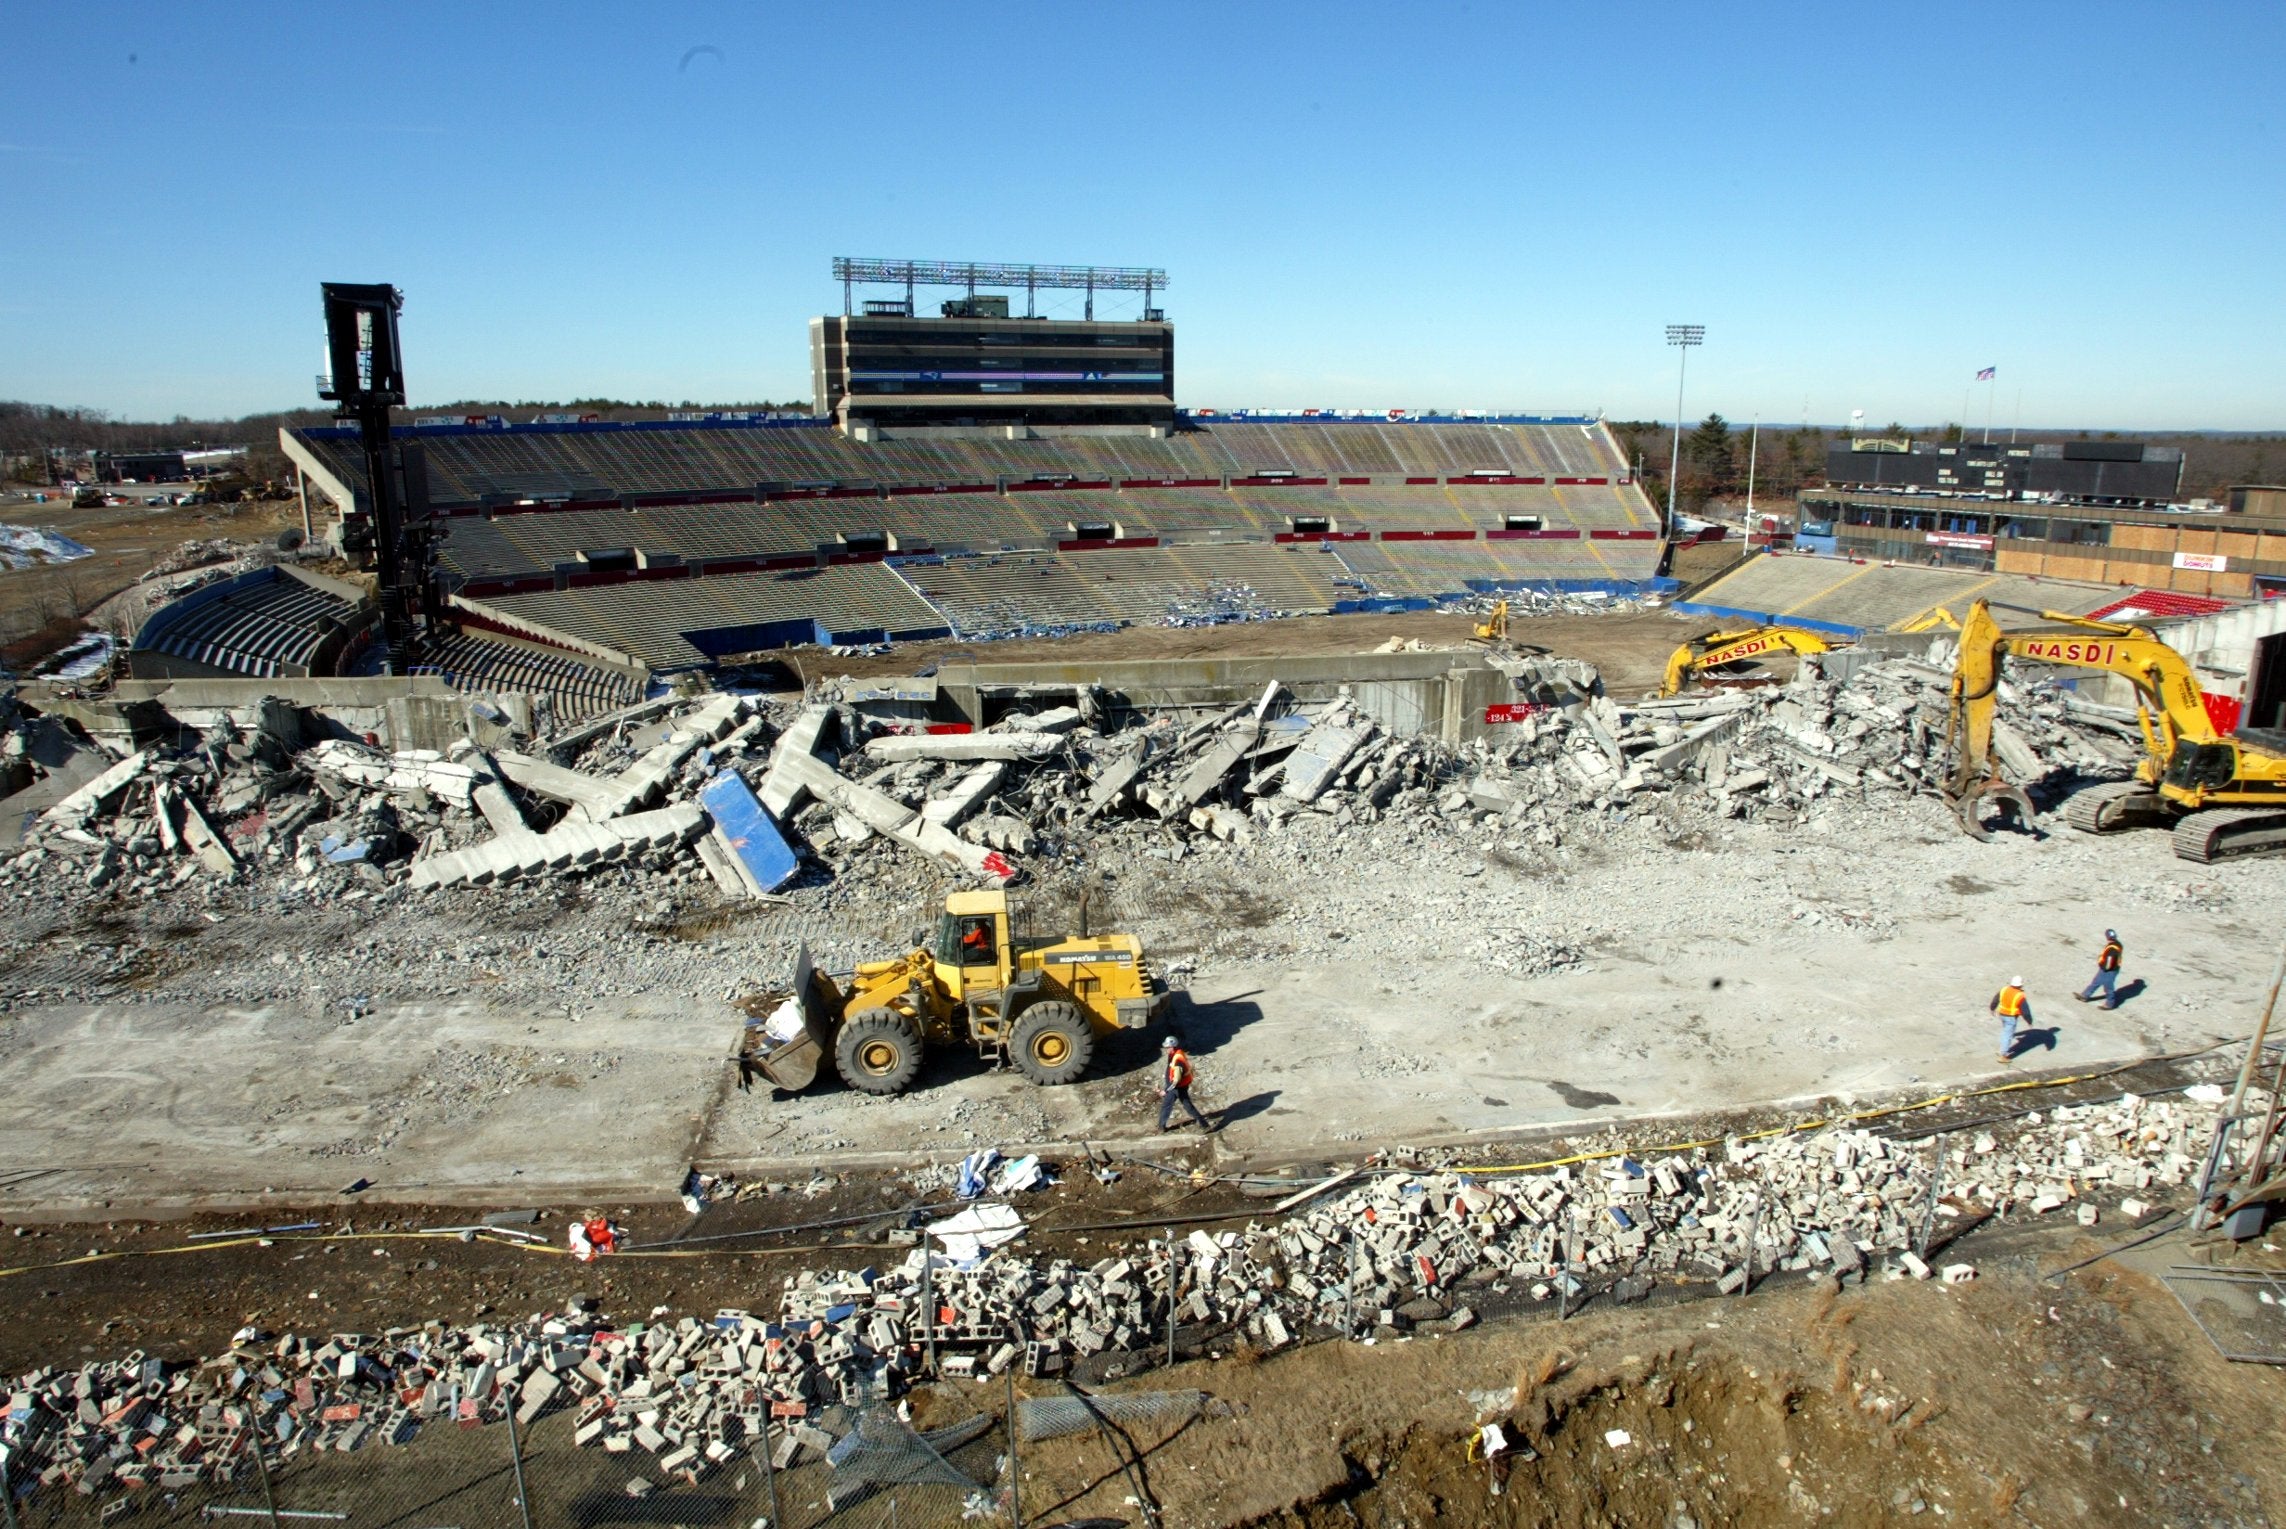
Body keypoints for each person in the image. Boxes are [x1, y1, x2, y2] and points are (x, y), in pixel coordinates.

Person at [1158, 1036, 1213, 1132]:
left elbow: (1176, 1080)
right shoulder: (1173, 1054)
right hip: (1174, 1086)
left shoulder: (1178, 1059)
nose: (1166, 1049)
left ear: (1173, 1047)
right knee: (1167, 1105)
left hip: (1178, 1087)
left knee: (1188, 1106)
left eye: (1167, 1047)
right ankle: (1161, 1127)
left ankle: (1205, 1126)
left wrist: (1166, 1090)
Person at [2077, 929, 2125, 1010]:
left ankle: (2110, 1004)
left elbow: (2110, 961)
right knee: (2096, 981)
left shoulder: (2112, 948)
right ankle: (2085, 995)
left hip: (2109, 970)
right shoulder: (2117, 944)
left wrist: (2105, 968)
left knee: (2108, 986)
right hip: (2108, 968)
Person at [1991, 976, 2031, 1064]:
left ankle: (2001, 1050)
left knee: (2005, 1033)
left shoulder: (2004, 989)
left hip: (2002, 1014)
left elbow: (1995, 1000)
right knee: (2008, 1035)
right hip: (2011, 1017)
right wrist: (2029, 1022)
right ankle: (2003, 1055)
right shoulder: (2020, 995)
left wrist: (1992, 1008)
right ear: (2020, 985)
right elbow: (2026, 1011)